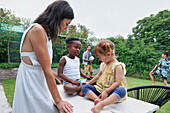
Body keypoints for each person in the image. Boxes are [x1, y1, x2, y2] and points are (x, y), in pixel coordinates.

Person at [12, 1, 74, 113]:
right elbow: (46, 69)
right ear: (58, 18)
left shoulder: (44, 33)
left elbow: (41, 64)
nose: (66, 28)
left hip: (35, 80)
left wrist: (56, 76)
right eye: (66, 24)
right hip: (32, 83)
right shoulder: (37, 30)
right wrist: (59, 101)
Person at [81, 40, 127, 113]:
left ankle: (102, 104)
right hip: (101, 91)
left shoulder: (117, 66)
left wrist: (107, 91)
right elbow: (98, 75)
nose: (100, 60)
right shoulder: (104, 64)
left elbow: (117, 82)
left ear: (108, 54)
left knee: (121, 90)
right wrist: (89, 83)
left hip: (111, 93)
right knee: (84, 87)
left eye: (100, 57)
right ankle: (97, 99)